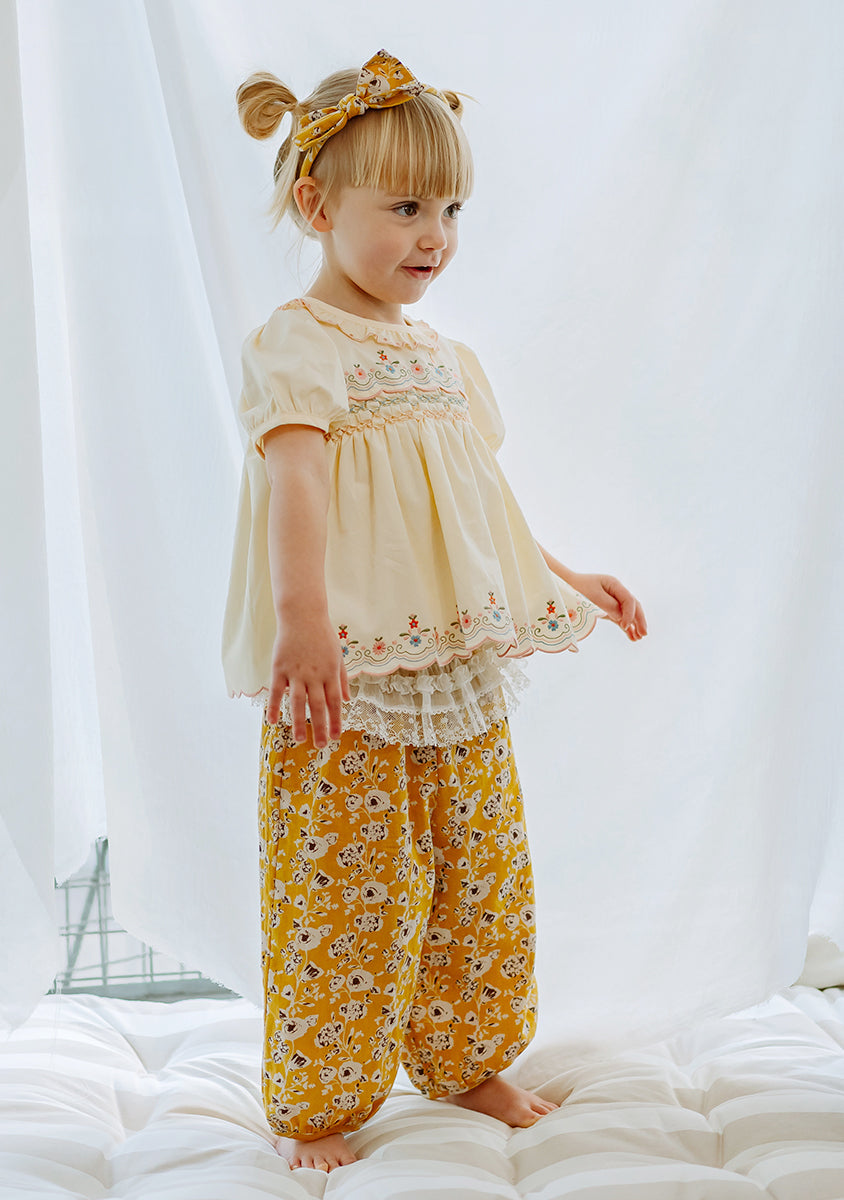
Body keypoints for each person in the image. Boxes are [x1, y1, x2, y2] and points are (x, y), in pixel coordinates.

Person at [222, 49, 647, 1173]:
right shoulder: (299, 346)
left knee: (479, 876)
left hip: (452, 666)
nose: (435, 235)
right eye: (405, 208)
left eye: (450, 209)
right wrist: (303, 624)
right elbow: (297, 490)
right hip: (349, 677)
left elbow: (473, 507)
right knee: (346, 887)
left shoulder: (443, 360)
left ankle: (466, 1058)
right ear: (318, 206)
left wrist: (564, 578)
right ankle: (321, 1100)